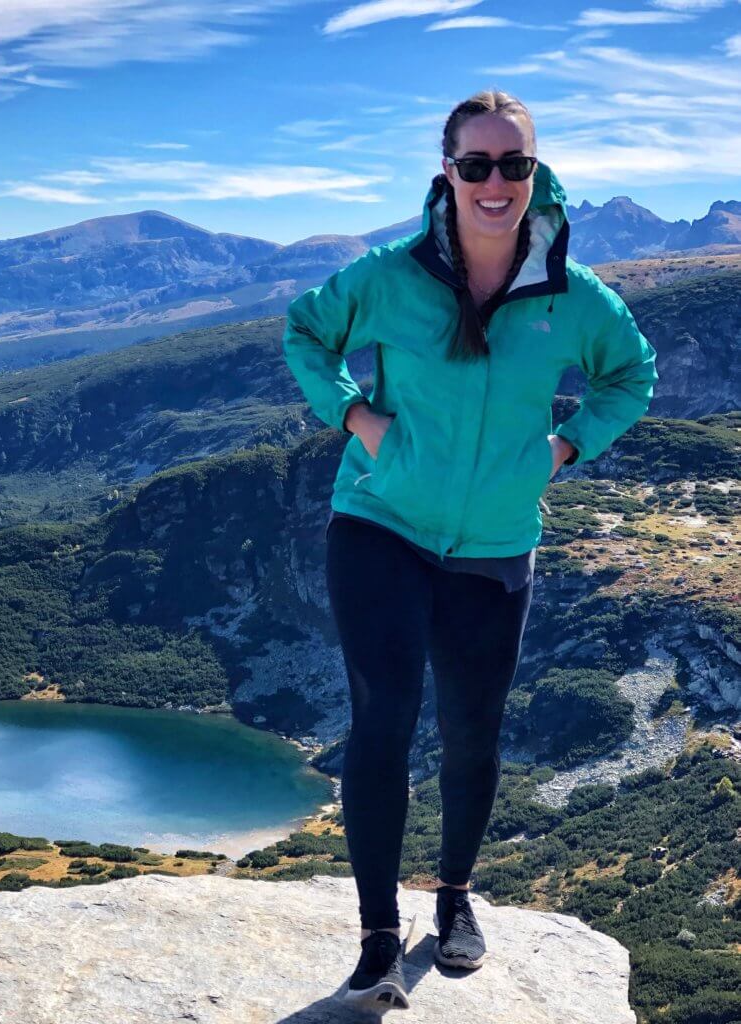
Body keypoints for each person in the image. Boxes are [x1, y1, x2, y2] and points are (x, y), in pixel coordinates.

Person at [282, 88, 659, 1012]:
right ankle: (376, 938)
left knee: (472, 732)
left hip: (495, 540)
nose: (496, 183)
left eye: (514, 165)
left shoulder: (573, 295)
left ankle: (453, 900)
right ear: (446, 171)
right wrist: (356, 416)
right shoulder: (391, 274)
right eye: (477, 164)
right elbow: (306, 332)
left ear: (534, 173)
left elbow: (631, 374)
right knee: (382, 721)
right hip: (381, 523)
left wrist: (566, 446)